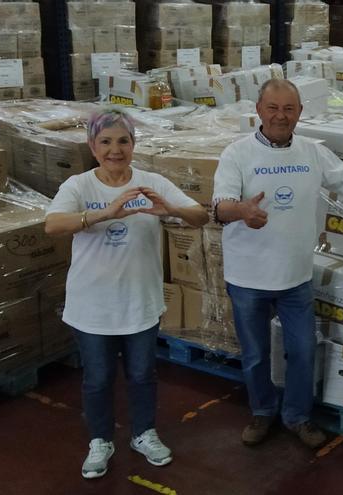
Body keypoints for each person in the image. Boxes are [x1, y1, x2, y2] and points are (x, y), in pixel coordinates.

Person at [212, 79, 343, 449]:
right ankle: (262, 411)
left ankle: (297, 416)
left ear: (300, 112)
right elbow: (219, 206)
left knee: (302, 350)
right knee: (254, 355)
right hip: (247, 275)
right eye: (273, 108)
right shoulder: (236, 154)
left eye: (289, 109)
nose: (280, 116)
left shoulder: (313, 152)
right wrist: (242, 211)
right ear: (258, 110)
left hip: (295, 276)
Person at [45, 107, 209, 479]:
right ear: (92, 145)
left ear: (134, 144)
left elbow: (200, 216)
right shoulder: (79, 186)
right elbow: (53, 225)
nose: (114, 150)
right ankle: (100, 440)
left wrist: (171, 209)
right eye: (105, 141)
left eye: (123, 141)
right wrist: (105, 214)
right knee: (98, 378)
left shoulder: (151, 182)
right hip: (92, 308)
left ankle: (143, 433)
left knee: (142, 374)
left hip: (139, 303)